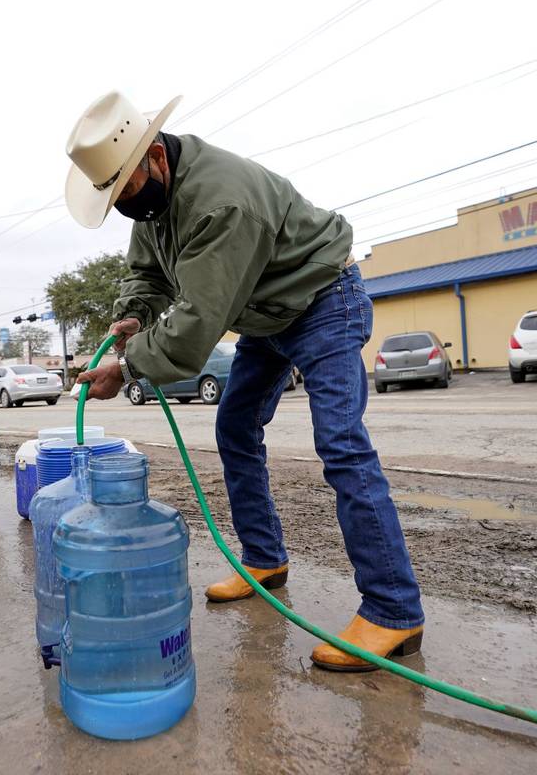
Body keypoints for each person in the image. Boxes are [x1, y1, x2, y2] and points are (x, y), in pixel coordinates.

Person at [67, 92, 424, 672]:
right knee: (235, 427)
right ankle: (265, 560)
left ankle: (393, 609)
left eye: (125, 190)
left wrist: (128, 367)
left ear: (155, 156)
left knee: (340, 445)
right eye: (114, 198)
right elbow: (147, 272)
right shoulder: (154, 207)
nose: (125, 206)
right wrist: (133, 312)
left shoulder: (220, 202)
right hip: (267, 316)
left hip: (325, 302)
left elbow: (192, 331)